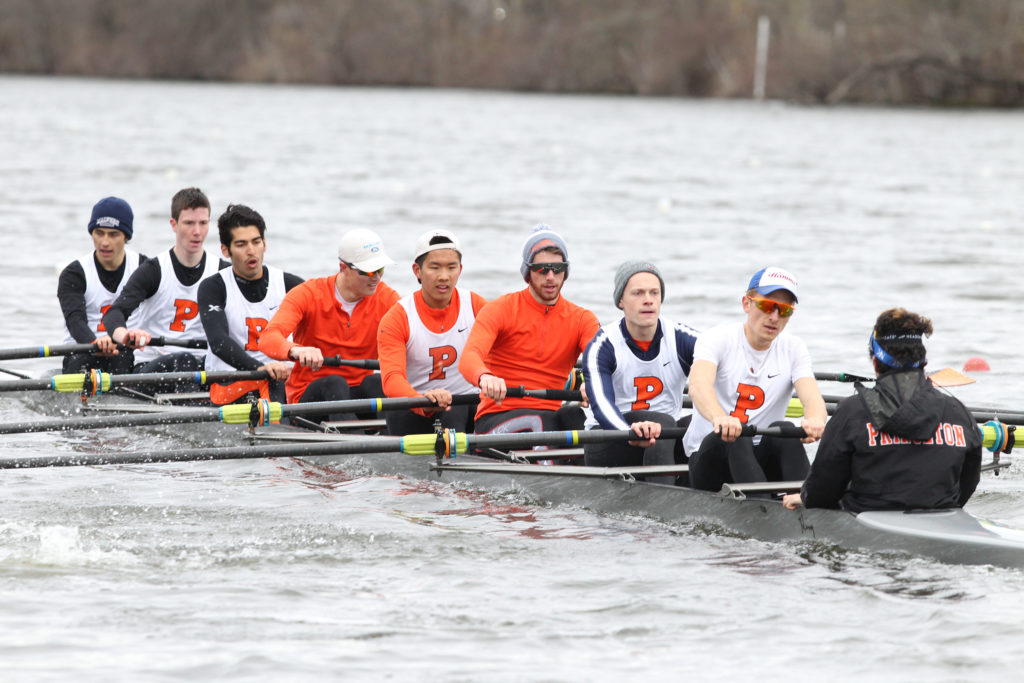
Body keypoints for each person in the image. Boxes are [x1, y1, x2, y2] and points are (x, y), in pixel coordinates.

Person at [783, 309, 981, 512]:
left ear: (876, 361)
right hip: (942, 519)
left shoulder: (852, 411)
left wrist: (806, 496)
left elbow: (823, 492)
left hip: (866, 525)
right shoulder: (959, 412)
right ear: (923, 362)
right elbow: (968, 485)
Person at [684, 266, 827, 492]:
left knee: (786, 430)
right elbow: (698, 385)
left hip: (759, 456)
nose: (774, 317)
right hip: (710, 457)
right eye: (767, 306)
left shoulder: (794, 348)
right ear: (746, 304)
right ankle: (767, 509)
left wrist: (815, 420)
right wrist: (720, 418)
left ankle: (810, 503)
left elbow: (812, 398)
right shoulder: (716, 338)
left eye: (784, 310)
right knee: (736, 434)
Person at [459, 224, 600, 435]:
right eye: (542, 269)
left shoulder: (582, 319)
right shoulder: (500, 309)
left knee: (576, 417)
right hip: (496, 419)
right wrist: (485, 377)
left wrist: (594, 380)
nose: (550, 276)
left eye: (557, 268)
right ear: (528, 272)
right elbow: (469, 356)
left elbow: (601, 359)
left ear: (565, 271)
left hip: (548, 418)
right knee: (541, 422)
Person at [258, 228, 400, 421]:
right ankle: (357, 445)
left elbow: (414, 337)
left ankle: (391, 439)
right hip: (310, 398)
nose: (376, 277)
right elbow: (268, 338)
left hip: (358, 395)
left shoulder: (387, 299)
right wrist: (296, 350)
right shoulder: (308, 294)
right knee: (334, 383)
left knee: (377, 382)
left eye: (380, 269)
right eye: (368, 271)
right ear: (343, 268)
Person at [582, 261, 698, 483]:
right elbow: (601, 407)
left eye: (654, 292)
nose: (648, 300)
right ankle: (663, 506)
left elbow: (726, 366)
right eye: (638, 293)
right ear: (620, 302)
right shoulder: (602, 345)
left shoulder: (682, 338)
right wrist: (629, 433)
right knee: (662, 422)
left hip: (663, 438)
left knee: (701, 424)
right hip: (611, 439)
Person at [102, 187, 226, 374]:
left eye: (203, 223)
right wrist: (126, 335)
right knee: (184, 361)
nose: (197, 232)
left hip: (202, 366)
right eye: (189, 223)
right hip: (152, 365)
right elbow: (115, 313)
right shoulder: (154, 270)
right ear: (174, 225)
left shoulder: (222, 272)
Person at [376, 229, 488, 435]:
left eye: (451, 267)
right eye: (434, 267)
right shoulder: (397, 317)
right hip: (416, 411)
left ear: (460, 270)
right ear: (417, 271)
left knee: (461, 409)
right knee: (452, 410)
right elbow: (391, 380)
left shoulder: (476, 306)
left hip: (468, 404)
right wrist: (424, 401)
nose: (444, 276)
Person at [198, 204, 304, 405]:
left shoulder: (290, 284)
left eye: (256, 242)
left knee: (330, 383)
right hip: (230, 383)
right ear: (225, 250)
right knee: (273, 381)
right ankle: (280, 432)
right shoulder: (213, 287)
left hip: (280, 380)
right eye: (241, 244)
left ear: (265, 243)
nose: (251, 251)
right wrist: (259, 368)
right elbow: (219, 342)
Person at [57, 196, 147, 374]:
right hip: (83, 350)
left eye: (113, 234)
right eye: (99, 233)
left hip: (126, 353)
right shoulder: (74, 274)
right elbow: (75, 321)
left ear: (126, 236)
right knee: (87, 356)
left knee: (122, 356)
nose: (105, 242)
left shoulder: (144, 268)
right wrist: (95, 343)